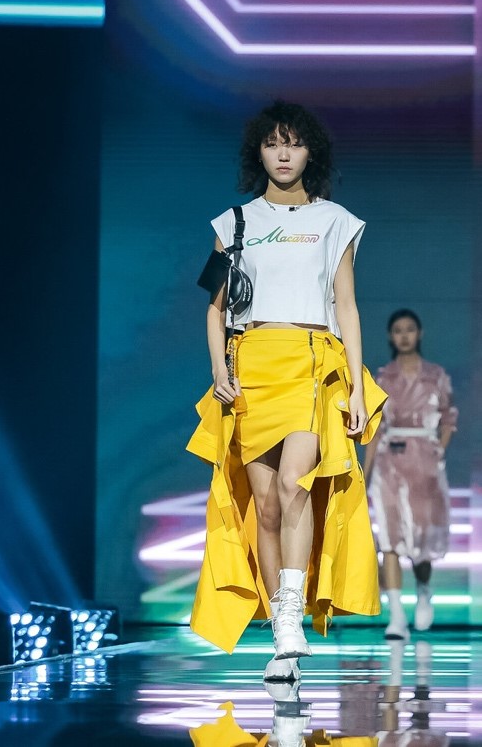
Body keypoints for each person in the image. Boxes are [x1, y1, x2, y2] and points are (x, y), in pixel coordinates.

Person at [186, 99, 388, 684]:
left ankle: (293, 617)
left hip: (311, 363)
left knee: (296, 486)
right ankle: (280, 631)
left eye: (293, 143)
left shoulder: (335, 221)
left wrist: (355, 386)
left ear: (310, 153)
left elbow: (347, 308)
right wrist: (219, 370)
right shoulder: (234, 223)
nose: (283, 154)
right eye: (273, 143)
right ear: (258, 151)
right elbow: (215, 309)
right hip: (252, 365)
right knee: (266, 505)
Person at [362, 309, 458, 640]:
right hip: (389, 463)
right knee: (389, 539)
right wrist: (365, 472)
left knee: (422, 540)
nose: (404, 335)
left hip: (425, 466)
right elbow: (374, 428)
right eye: (398, 330)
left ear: (420, 333)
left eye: (410, 329)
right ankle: (396, 616)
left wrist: (438, 450)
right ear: (391, 336)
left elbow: (449, 417)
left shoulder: (436, 375)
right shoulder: (382, 377)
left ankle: (424, 590)